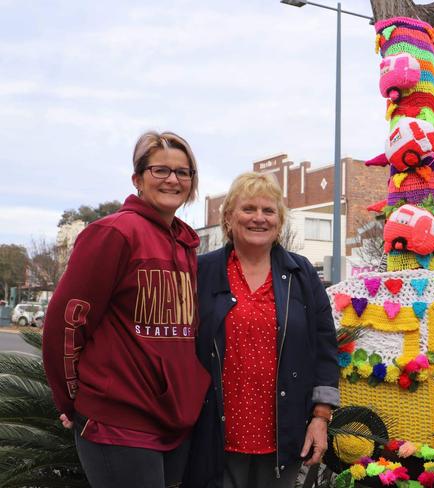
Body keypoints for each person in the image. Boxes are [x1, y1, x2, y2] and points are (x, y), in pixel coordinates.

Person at [42, 131, 211, 488]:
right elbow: (67, 322)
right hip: (118, 422)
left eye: (183, 172)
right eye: (160, 170)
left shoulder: (185, 246)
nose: (173, 179)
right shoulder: (113, 233)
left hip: (175, 420)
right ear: (138, 179)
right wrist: (71, 398)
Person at [184, 172, 340, 488]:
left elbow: (325, 348)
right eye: (248, 209)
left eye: (268, 211)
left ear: (279, 221)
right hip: (213, 434)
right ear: (228, 218)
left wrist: (321, 418)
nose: (259, 218)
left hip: (284, 434)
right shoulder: (201, 271)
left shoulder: (301, 274)